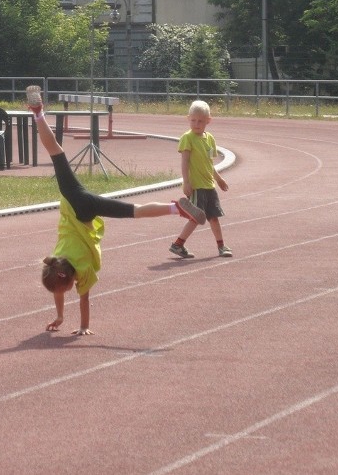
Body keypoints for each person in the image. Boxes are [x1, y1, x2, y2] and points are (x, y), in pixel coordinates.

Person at [25, 85, 206, 335]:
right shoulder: (55, 259)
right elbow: (59, 287)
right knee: (56, 152)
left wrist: (79, 325)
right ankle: (38, 113)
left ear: (67, 280)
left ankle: (176, 210)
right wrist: (59, 315)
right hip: (75, 198)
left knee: (134, 212)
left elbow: (82, 298)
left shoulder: (82, 270)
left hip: (85, 210)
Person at [169, 99, 231, 259]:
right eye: (193, 120)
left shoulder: (210, 138)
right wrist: (186, 182)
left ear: (208, 121)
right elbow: (184, 161)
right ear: (188, 118)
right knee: (197, 217)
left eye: (201, 121)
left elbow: (210, 163)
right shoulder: (187, 138)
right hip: (196, 186)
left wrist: (218, 179)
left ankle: (221, 246)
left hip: (209, 185)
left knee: (214, 217)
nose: (196, 124)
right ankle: (178, 244)